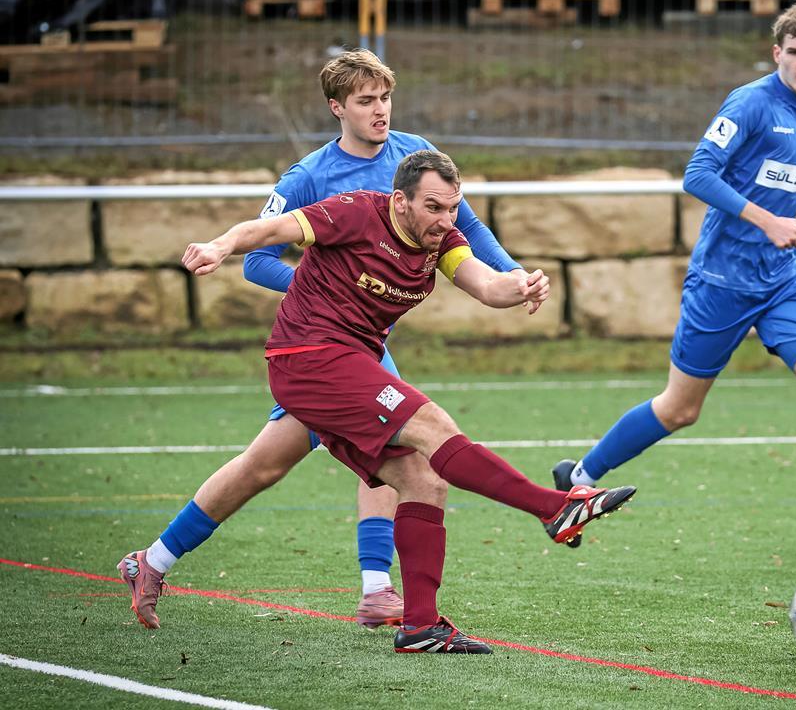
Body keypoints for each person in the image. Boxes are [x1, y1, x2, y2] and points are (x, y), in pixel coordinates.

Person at [154, 150, 635, 653]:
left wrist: (515, 286)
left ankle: (421, 626)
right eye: (434, 207)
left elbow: (485, 285)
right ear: (400, 201)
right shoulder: (355, 211)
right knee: (431, 424)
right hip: (307, 357)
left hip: (351, 366)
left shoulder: (442, 241)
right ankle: (553, 508)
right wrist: (220, 244)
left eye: (453, 207)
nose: (446, 220)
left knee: (421, 479)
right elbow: (266, 232)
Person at [116, 50, 528, 631]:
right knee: (395, 449)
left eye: (385, 98)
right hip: (323, 344)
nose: (379, 111)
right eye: (365, 101)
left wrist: (511, 271)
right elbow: (259, 260)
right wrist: (327, 293)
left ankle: (154, 561)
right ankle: (382, 590)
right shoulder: (309, 177)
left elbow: (468, 228)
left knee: (269, 463)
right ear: (337, 108)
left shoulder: (415, 157)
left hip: (361, 343)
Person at [551, 3, 796, 574]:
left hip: (782, 283)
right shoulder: (749, 102)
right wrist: (767, 220)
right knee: (679, 409)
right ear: (777, 54)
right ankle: (577, 480)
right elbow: (698, 174)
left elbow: (794, 166)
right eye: (793, 53)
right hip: (721, 283)